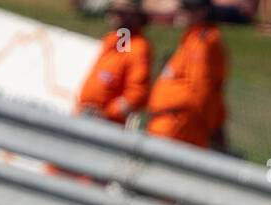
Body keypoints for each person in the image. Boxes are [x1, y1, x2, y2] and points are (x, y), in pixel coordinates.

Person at [146, 0, 228, 150]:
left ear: (202, 11)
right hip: (169, 122)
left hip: (179, 126)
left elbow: (200, 91)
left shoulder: (205, 42)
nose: (181, 12)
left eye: (187, 9)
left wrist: (181, 113)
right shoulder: (192, 37)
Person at [76, 0, 152, 125]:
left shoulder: (138, 47)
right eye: (113, 11)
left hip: (105, 124)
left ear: (136, 17)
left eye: (121, 13)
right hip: (85, 115)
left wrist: (107, 113)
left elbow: (137, 94)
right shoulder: (114, 39)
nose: (114, 16)